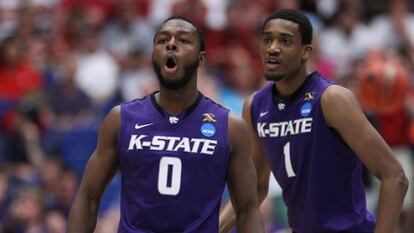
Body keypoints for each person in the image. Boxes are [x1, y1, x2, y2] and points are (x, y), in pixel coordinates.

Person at [66, 16, 264, 233]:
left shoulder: (230, 127)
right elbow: (88, 197)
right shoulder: (121, 118)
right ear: (153, 56)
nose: (171, 44)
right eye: (162, 40)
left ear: (201, 59)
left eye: (183, 40)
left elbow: (247, 209)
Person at [219, 9, 408, 233]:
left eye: (285, 41)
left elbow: (395, 177)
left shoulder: (331, 99)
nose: (273, 48)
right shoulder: (255, 106)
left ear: (305, 52)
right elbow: (256, 187)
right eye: (267, 39)